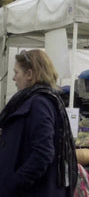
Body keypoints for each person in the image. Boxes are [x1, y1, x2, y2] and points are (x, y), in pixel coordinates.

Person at [0, 49, 77, 196]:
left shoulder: (39, 103)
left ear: (29, 74)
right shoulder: (36, 100)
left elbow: (43, 153)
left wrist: (14, 182)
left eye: (16, 72)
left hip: (35, 190)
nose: (13, 78)